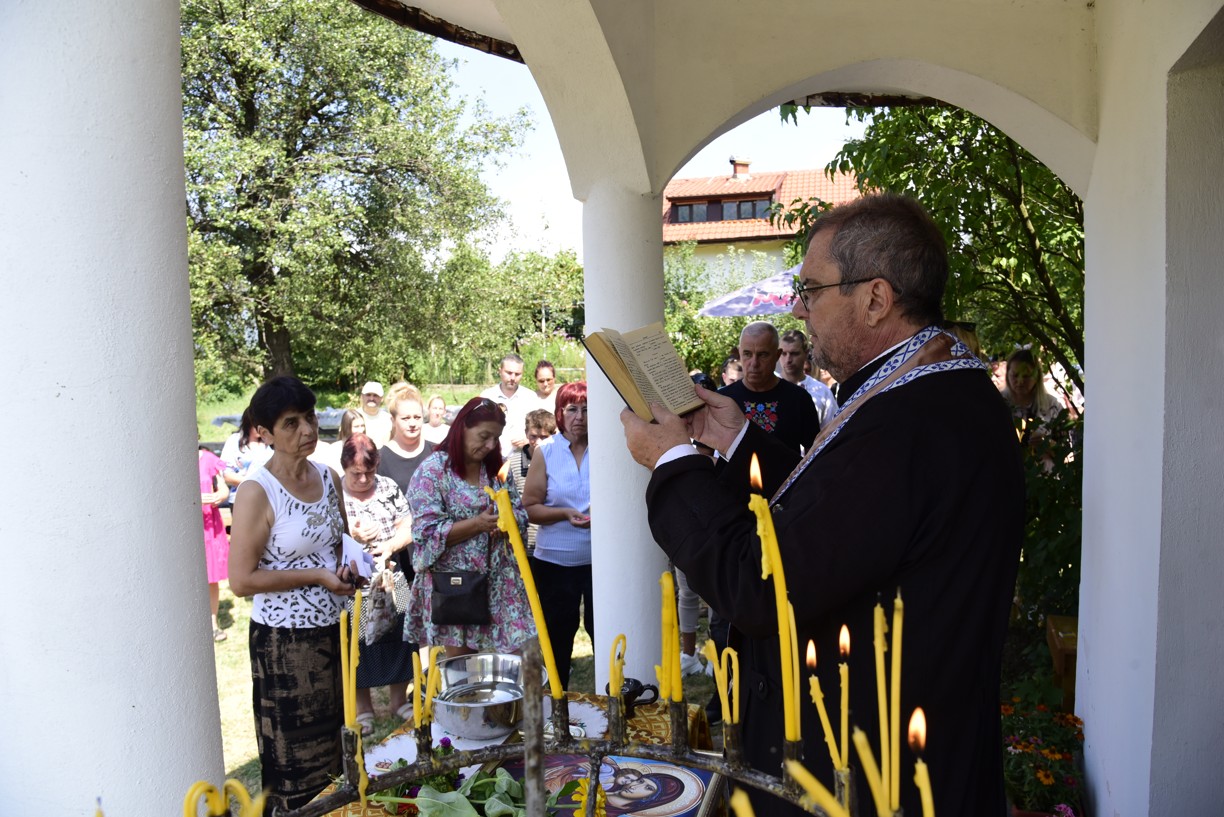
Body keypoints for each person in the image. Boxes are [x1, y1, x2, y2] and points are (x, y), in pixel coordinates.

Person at [620, 194, 1025, 816]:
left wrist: (674, 463)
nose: (798, 310)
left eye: (810, 290)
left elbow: (764, 585)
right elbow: (846, 519)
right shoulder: (926, 387)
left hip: (865, 770)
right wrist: (729, 439)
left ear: (875, 297)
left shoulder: (912, 419)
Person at [228, 376, 364, 812]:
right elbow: (242, 580)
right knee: (295, 766)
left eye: (309, 417)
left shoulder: (328, 476)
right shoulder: (256, 492)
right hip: (286, 645)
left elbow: (337, 543)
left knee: (339, 752)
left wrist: (349, 568)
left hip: (335, 630)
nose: (307, 430)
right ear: (264, 433)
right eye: (291, 423)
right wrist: (317, 577)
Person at [404, 397, 536, 657]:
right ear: (461, 427)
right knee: (463, 672)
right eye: (484, 436)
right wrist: (478, 524)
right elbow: (425, 534)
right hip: (457, 588)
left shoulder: (496, 468)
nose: (489, 445)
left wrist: (506, 523)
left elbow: (520, 514)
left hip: (502, 584)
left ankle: (517, 700)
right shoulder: (433, 472)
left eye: (495, 439)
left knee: (519, 664)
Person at [340, 433, 416, 734]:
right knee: (357, 644)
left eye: (369, 472)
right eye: (355, 473)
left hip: (392, 575)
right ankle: (364, 709)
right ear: (345, 467)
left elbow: (409, 525)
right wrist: (353, 536)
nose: (362, 479)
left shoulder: (387, 487)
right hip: (354, 584)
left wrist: (389, 545)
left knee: (402, 638)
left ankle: (399, 700)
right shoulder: (337, 493)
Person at [522, 382, 592, 688]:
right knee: (557, 638)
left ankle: (611, 700)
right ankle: (559, 706)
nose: (580, 417)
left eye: (587, 409)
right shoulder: (547, 451)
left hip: (598, 561)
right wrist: (564, 513)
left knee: (603, 630)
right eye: (572, 409)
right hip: (553, 562)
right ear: (560, 413)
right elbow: (531, 507)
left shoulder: (607, 448)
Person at [718, 321, 820, 453]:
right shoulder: (722, 399)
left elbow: (813, 453)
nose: (754, 363)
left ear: (777, 355)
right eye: (747, 354)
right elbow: (705, 453)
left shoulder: (799, 399)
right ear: (739, 353)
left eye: (763, 355)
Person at [505, 407, 558, 552]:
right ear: (526, 434)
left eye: (544, 437)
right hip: (524, 540)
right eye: (533, 436)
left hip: (553, 539)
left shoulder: (560, 460)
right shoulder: (514, 462)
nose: (538, 442)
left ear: (554, 435)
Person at [198, 440, 230, 641]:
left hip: (209, 523)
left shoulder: (209, 459)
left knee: (210, 576)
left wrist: (218, 496)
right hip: (190, 524)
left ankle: (212, 624)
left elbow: (224, 489)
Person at [378, 385, 435, 496]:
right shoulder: (379, 459)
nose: (412, 423)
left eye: (417, 417)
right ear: (393, 420)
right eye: (406, 418)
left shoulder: (437, 452)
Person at [480, 353, 541, 456]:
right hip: (492, 457)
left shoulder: (531, 398)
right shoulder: (487, 397)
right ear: (500, 371)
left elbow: (540, 427)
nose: (513, 378)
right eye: (509, 373)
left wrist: (528, 439)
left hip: (522, 458)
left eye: (517, 374)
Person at [777, 328, 837, 427]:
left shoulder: (823, 392)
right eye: (783, 354)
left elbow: (832, 430)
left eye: (794, 353)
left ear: (806, 353)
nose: (788, 359)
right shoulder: (766, 387)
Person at [1000, 347, 1066, 435]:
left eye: (1026, 376)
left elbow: (1065, 442)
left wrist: (1047, 444)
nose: (1020, 381)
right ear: (1007, 374)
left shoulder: (1052, 406)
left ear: (1037, 376)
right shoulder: (998, 403)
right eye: (1015, 375)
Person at [312, 407, 366, 472]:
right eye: (356, 427)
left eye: (362, 426)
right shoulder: (335, 450)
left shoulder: (367, 447)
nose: (361, 430)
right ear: (347, 428)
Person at [359, 380, 393, 446]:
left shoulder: (389, 419)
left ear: (382, 398)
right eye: (368, 395)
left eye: (375, 395)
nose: (371, 398)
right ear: (362, 396)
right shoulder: (354, 416)